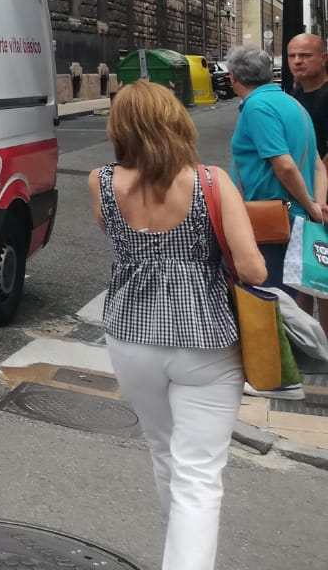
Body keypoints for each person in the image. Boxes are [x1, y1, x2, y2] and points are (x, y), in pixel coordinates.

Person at [89, 80, 267, 570]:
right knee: (200, 475)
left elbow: (121, 244)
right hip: (205, 340)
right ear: (175, 121)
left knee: (164, 455)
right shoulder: (210, 181)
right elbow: (253, 270)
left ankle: (179, 553)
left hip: (130, 336)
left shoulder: (101, 181)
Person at [226, 44, 327, 291]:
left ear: (233, 77)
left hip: (269, 221)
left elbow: (285, 166)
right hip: (292, 218)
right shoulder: (294, 105)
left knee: (267, 301)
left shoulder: (257, 107)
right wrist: (317, 205)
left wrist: (313, 208)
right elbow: (317, 167)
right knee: (287, 300)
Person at [287, 32, 328, 161]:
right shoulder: (296, 94)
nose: (297, 61)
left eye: (305, 55)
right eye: (292, 56)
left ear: (324, 59)